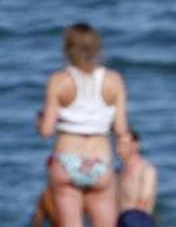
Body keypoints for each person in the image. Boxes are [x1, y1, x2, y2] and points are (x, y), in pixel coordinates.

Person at [37, 23, 130, 227]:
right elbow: (122, 129)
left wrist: (40, 120)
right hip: (100, 159)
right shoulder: (114, 80)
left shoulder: (58, 80)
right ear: (97, 48)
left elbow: (46, 130)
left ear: (67, 48)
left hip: (67, 159)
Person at [117, 129, 158, 223]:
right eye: (117, 144)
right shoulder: (117, 173)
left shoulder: (146, 170)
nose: (119, 149)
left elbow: (144, 202)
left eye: (123, 144)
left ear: (136, 144)